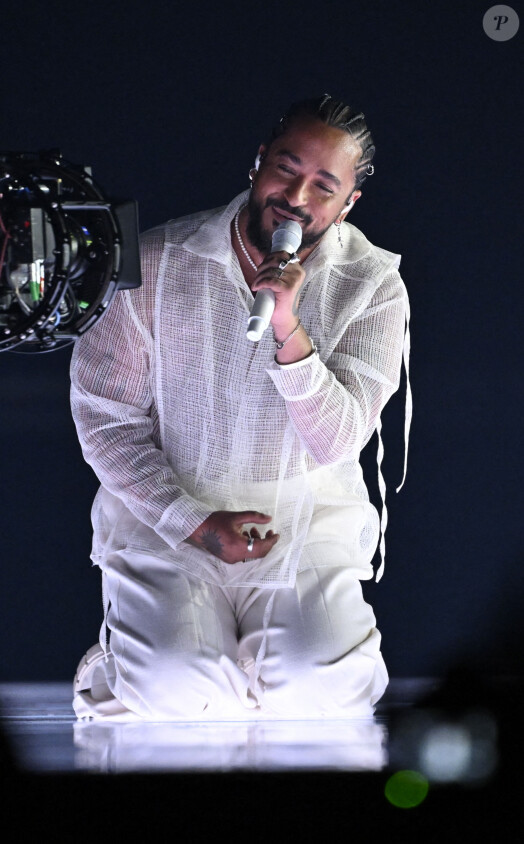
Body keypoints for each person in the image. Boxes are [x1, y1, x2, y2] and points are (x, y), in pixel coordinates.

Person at [70, 94, 410, 721]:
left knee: (318, 693)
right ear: (258, 162)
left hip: (305, 521)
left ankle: (260, 670)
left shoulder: (373, 285)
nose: (296, 197)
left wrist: (289, 331)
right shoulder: (154, 264)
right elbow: (106, 421)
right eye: (286, 168)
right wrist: (193, 522)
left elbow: (336, 441)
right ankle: (123, 665)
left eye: (322, 186)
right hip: (168, 520)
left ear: (347, 204)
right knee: (178, 693)